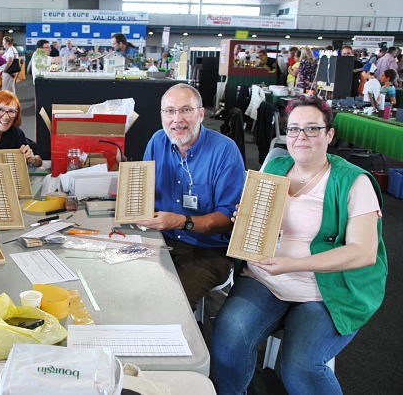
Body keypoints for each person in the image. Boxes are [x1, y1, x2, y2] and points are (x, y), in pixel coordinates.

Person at [211, 96, 387, 395]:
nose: (300, 137)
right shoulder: (276, 167)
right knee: (228, 343)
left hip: (326, 290)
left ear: (329, 135)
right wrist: (247, 218)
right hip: (265, 279)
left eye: (311, 129)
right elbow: (259, 224)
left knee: (301, 367)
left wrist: (293, 264)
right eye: (293, 129)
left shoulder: (353, 181)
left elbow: (364, 251)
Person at [137, 83, 246, 308]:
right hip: (159, 238)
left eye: (186, 110)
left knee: (172, 305)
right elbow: (144, 193)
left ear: (201, 114)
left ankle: (183, 340)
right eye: (169, 111)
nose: (177, 119)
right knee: (129, 286)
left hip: (207, 249)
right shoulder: (158, 141)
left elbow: (227, 219)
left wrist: (181, 221)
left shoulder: (225, 151)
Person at [0, 90, 42, 167]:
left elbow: (39, 160)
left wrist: (31, 159)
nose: (6, 117)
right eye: (0, 110)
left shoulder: (15, 134)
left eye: (11, 111)